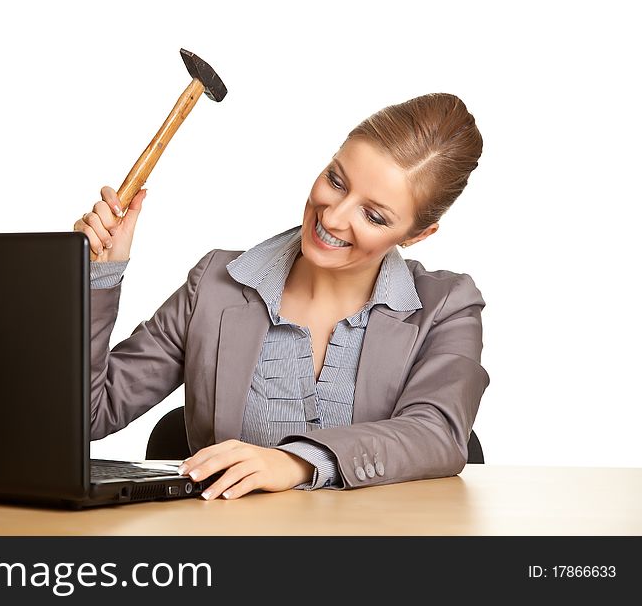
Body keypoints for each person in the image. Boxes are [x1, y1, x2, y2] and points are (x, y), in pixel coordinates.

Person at [73, 92, 488, 500]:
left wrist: (297, 462)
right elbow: (86, 416)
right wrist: (96, 278)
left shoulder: (446, 307)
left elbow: (438, 433)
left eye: (374, 216)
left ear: (417, 235)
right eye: (336, 181)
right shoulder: (216, 286)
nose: (333, 216)